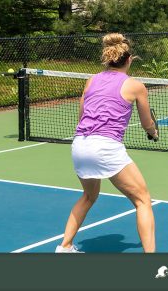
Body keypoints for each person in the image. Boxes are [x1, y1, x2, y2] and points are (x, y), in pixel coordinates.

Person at [55, 33, 157, 253]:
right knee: (143, 200)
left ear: (108, 59)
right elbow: (146, 122)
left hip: (80, 144)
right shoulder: (136, 85)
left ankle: (65, 246)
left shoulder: (91, 80)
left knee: (88, 196)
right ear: (129, 60)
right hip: (105, 147)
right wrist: (152, 132)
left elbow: (82, 115)